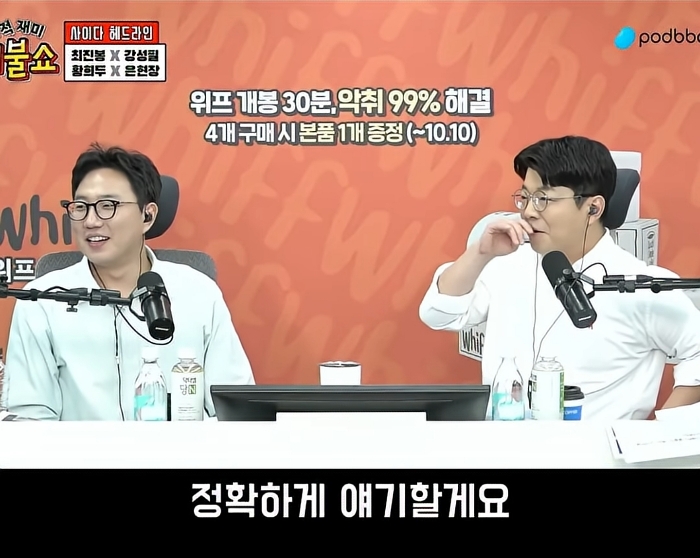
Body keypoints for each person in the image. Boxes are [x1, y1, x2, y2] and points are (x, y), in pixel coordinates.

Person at [419, 135, 700, 420]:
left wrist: (659, 431)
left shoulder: (640, 285)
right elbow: (437, 315)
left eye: (543, 199)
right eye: (525, 197)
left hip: (598, 445)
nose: (528, 212)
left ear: (593, 208)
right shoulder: (506, 264)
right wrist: (480, 253)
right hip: (503, 441)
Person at [4, 143, 255, 420]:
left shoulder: (199, 293)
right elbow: (31, 417)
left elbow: (236, 410)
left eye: (107, 206)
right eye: (81, 207)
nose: (90, 221)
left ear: (148, 216)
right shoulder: (41, 300)